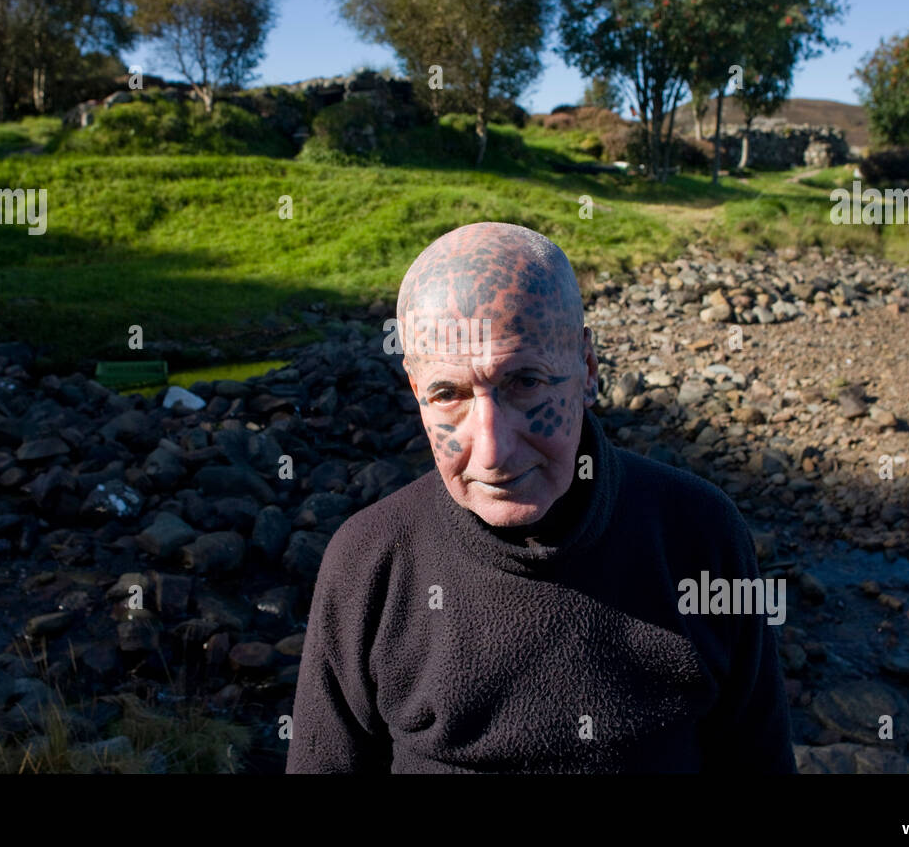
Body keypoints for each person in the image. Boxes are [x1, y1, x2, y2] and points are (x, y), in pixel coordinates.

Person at [286, 221, 796, 773]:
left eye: (524, 383)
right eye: (448, 395)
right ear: (415, 389)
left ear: (588, 368)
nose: (492, 453)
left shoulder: (700, 535)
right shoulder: (368, 563)